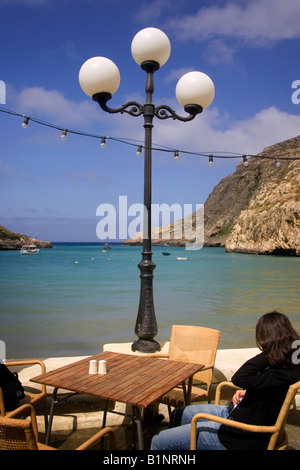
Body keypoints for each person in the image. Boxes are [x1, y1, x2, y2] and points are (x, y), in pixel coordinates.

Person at [151, 311, 300, 450]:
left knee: (158, 441)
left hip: (240, 435)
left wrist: (269, 352)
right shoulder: (286, 364)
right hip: (237, 414)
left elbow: (239, 377)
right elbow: (266, 386)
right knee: (179, 415)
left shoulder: (283, 372)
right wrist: (249, 391)